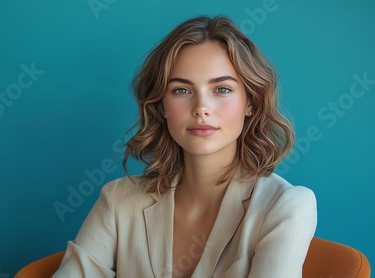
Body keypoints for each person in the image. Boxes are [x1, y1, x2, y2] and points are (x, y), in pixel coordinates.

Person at [52, 15, 317, 278]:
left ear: (251, 102)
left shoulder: (286, 206)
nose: (201, 108)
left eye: (222, 89)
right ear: (161, 105)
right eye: (181, 90)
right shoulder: (118, 200)